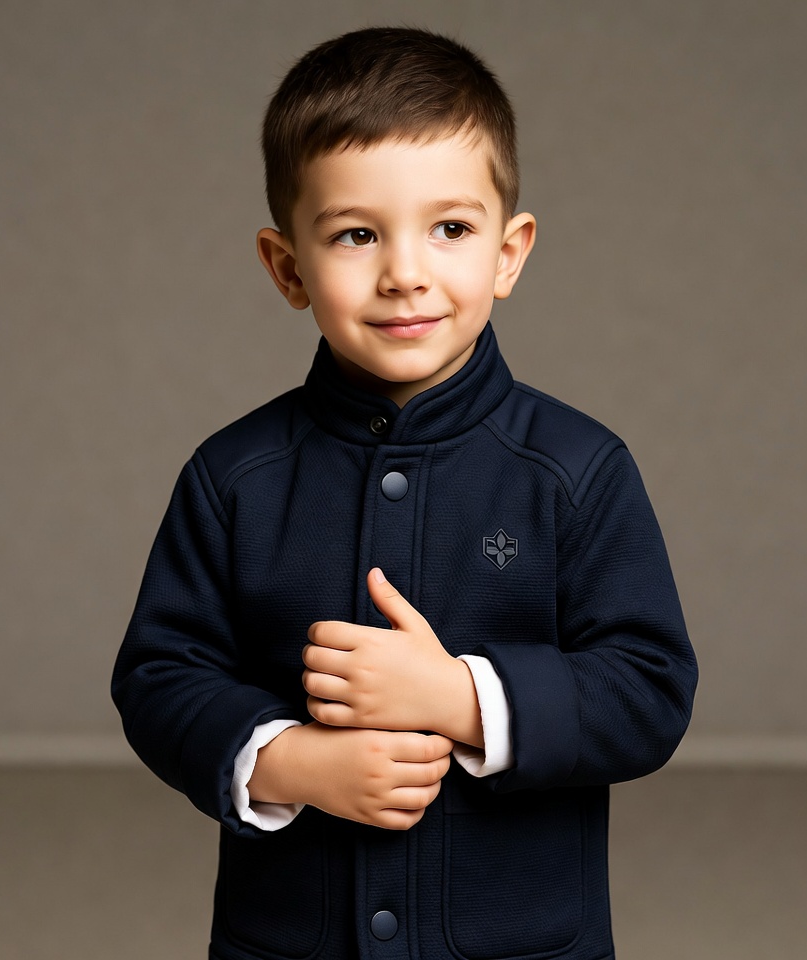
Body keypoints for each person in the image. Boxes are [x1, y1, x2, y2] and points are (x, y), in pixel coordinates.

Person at [112, 26, 698, 960]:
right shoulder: (234, 476)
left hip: (522, 940)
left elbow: (651, 689)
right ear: (287, 267)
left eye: (451, 229)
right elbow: (157, 676)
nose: (405, 273)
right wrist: (290, 761)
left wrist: (461, 697)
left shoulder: (578, 469)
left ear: (509, 253)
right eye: (356, 234)